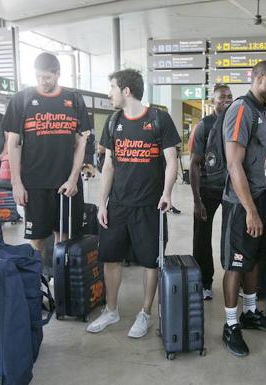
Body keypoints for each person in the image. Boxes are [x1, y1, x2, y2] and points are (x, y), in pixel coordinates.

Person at [86, 69, 180, 338]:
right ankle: (111, 310)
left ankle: (145, 313)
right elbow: (109, 165)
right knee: (110, 259)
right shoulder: (113, 120)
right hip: (118, 205)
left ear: (126, 91)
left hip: (149, 205)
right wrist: (102, 203)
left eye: (112, 88)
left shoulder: (158, 119)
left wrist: (167, 193)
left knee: (151, 261)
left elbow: (172, 160)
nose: (109, 93)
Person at [3, 52, 92, 272]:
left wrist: (73, 178)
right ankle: (38, 285)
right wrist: (16, 183)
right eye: (38, 77)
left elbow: (81, 142)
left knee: (63, 238)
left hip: (65, 183)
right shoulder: (21, 100)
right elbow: (13, 144)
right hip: (34, 183)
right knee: (36, 240)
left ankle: (59, 285)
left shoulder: (74, 99)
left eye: (47, 77)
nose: (42, 81)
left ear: (58, 74)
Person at [220, 60, 266, 357]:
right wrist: (250, 210)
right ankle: (230, 325)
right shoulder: (242, 109)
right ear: (258, 78)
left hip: (264, 198)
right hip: (243, 203)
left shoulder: (265, 112)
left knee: (255, 259)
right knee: (236, 264)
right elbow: (234, 163)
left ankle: (249, 313)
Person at [189, 84, 233, 300]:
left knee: (233, 237)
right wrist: (197, 200)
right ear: (212, 101)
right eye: (222, 97)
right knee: (201, 238)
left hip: (232, 190)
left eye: (229, 96)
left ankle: (237, 281)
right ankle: (204, 281)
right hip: (208, 190)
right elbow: (194, 164)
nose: (226, 99)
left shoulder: (237, 123)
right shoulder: (204, 126)